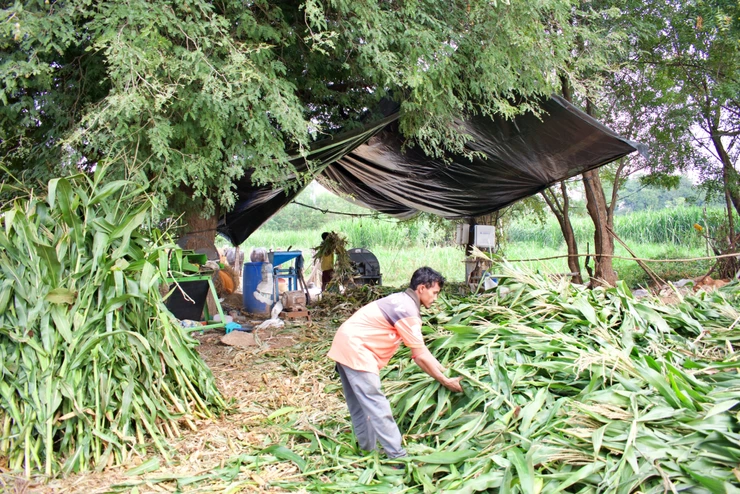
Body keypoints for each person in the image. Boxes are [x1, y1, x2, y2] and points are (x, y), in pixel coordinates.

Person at [327, 266, 464, 459]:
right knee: (377, 405)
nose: (435, 298)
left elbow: (421, 351)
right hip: (357, 350)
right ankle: (398, 457)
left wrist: (445, 370)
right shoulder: (408, 311)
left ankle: (367, 451)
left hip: (345, 344)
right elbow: (420, 356)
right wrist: (445, 380)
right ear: (422, 288)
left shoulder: (401, 300)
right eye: (434, 293)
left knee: (360, 406)